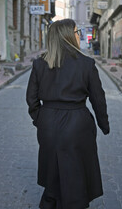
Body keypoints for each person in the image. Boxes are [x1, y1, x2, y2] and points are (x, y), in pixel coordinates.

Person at [26, 19, 110, 209]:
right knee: (76, 170)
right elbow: (98, 99)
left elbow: (31, 99)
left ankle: (51, 201)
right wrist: (104, 124)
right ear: (68, 36)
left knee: (53, 168)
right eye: (76, 31)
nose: (79, 35)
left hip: (48, 123)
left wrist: (40, 119)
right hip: (77, 124)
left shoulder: (39, 64)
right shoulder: (86, 64)